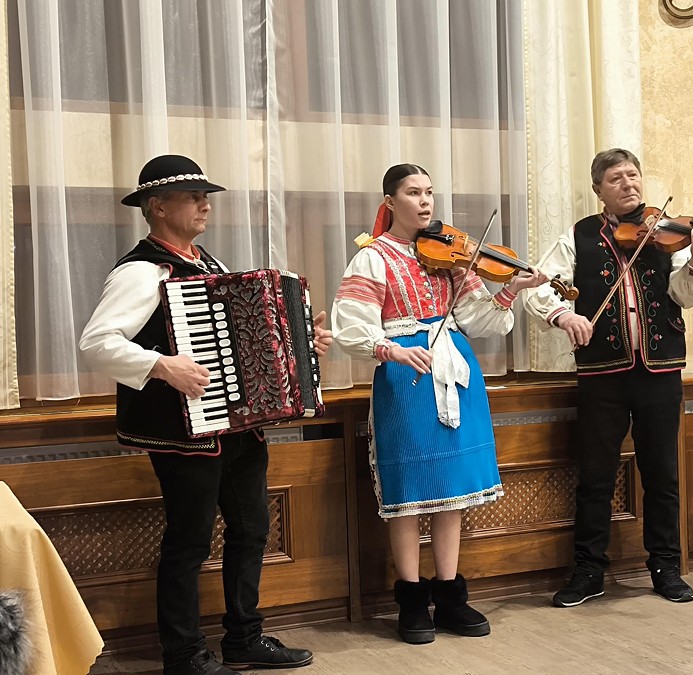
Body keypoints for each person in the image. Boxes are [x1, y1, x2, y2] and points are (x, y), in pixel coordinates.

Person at [79, 155, 329, 675]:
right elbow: (97, 343)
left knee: (252, 531)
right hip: (181, 431)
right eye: (192, 196)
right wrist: (161, 365)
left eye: (205, 195)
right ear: (157, 206)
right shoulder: (141, 271)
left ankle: (243, 638)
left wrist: (303, 342)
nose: (204, 204)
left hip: (235, 426)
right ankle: (183, 655)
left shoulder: (207, 265)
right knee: (188, 541)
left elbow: (241, 340)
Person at [330, 163, 547, 644]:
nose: (426, 201)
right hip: (405, 373)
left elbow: (481, 321)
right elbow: (350, 325)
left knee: (453, 487)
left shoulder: (451, 254)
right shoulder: (372, 258)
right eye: (414, 192)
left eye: (429, 192)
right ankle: (411, 600)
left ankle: (450, 595)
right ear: (391, 202)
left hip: (455, 367)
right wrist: (390, 348)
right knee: (408, 492)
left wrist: (511, 289)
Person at [522, 148, 693, 607]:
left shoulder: (669, 233)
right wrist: (563, 315)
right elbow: (538, 288)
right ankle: (589, 571)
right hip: (602, 374)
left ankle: (666, 567)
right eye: (616, 178)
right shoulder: (578, 236)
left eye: (633, 175)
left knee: (662, 474)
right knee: (596, 476)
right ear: (599, 190)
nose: (628, 184)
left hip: (660, 371)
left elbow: (688, 295)